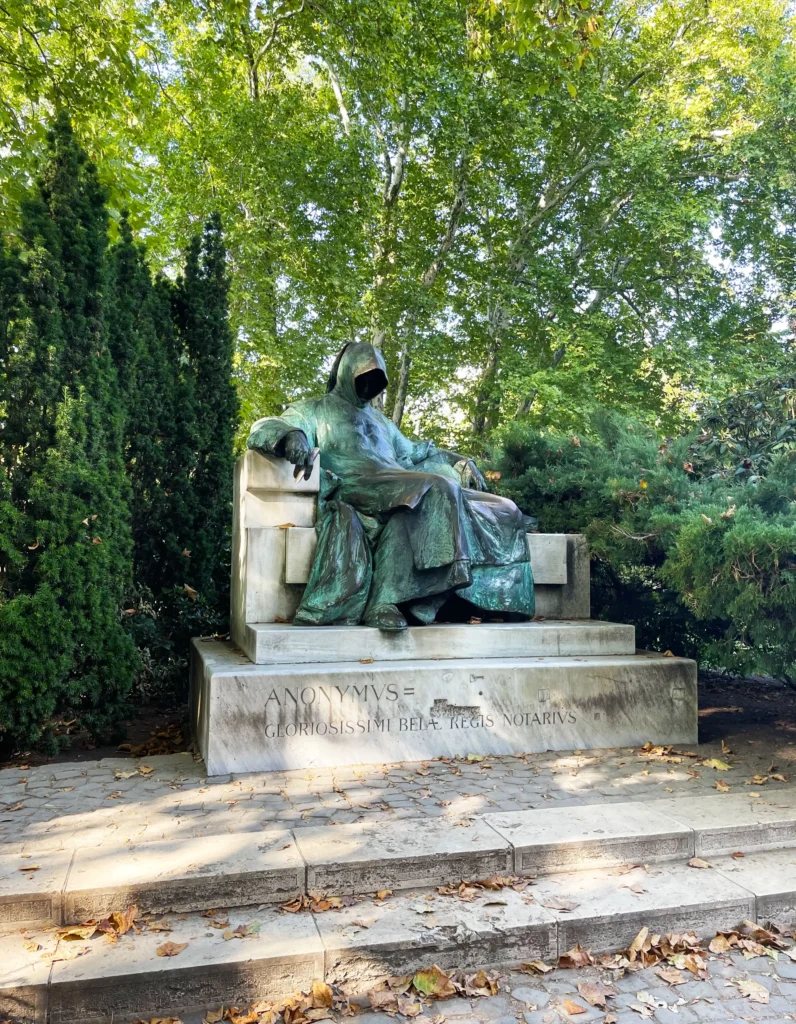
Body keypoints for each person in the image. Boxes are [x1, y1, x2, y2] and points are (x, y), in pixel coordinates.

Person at [247, 342, 534, 631]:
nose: (369, 385)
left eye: (376, 379)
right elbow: (266, 425)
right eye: (363, 376)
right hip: (358, 484)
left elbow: (416, 452)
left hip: (399, 483)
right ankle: (395, 599)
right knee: (439, 487)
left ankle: (494, 601)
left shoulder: (382, 422)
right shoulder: (314, 409)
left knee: (504, 508)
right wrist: (291, 437)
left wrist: (460, 459)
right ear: (345, 372)